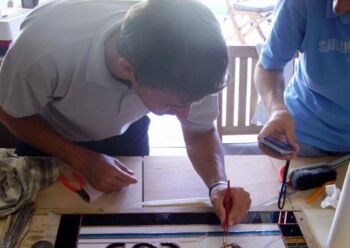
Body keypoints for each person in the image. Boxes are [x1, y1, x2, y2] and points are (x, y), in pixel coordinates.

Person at [0, 0, 251, 225]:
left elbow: (200, 132)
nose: (185, 114)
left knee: (129, 220)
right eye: (173, 105)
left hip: (127, 130)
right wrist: (82, 159)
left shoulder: (193, 60)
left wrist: (217, 184)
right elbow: (10, 112)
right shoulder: (42, 51)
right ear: (127, 68)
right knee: (37, 231)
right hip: (47, 136)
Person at [255, 0, 350, 159]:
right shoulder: (299, 3)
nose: (338, 7)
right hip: (304, 138)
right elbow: (268, 66)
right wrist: (277, 109)